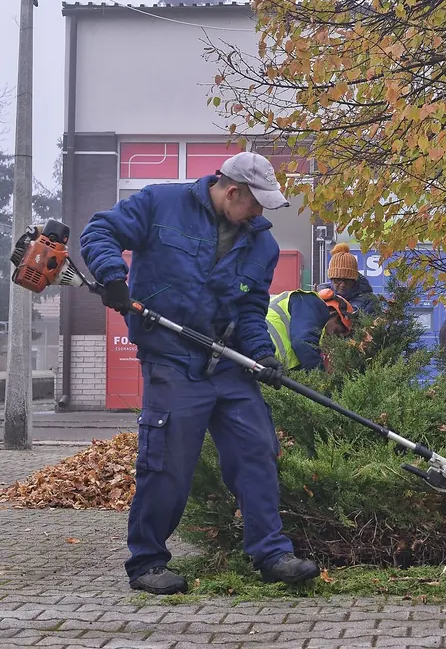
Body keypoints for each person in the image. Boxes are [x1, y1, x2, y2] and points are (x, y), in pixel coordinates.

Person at [80, 152, 320, 595]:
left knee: (257, 449)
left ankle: (271, 553)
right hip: (171, 356)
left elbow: (251, 309)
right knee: (167, 460)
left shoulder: (261, 245)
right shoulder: (160, 204)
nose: (260, 213)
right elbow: (100, 231)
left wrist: (263, 354)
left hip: (228, 361)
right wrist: (113, 276)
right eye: (256, 203)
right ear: (232, 192)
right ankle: (148, 562)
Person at [267, 287, 353, 371]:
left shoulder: (306, 308)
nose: (334, 337)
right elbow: (303, 343)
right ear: (334, 313)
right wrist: (322, 379)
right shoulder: (312, 303)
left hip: (264, 361)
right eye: (338, 331)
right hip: (264, 358)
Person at [324, 243, 380, 315]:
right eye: (338, 280)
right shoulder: (321, 298)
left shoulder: (369, 301)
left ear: (354, 280)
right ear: (331, 279)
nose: (342, 285)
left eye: (347, 280)